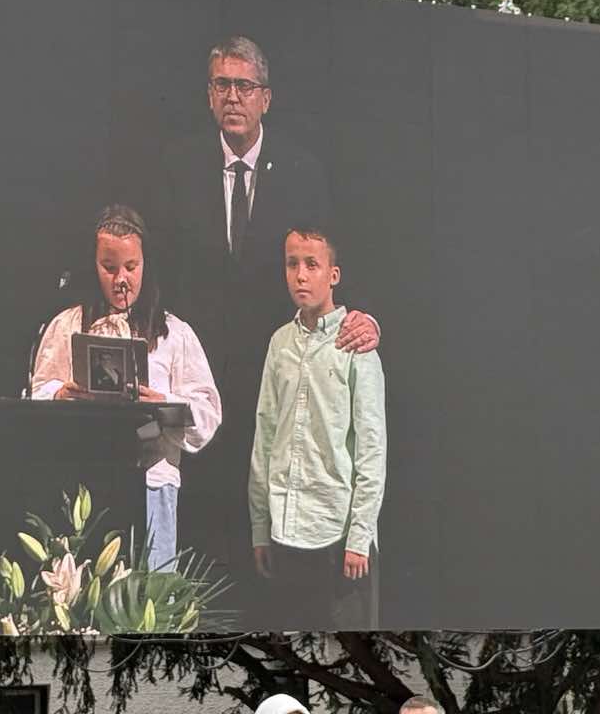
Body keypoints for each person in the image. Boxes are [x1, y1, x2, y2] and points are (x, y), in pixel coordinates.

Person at [151, 36, 381, 613]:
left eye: (244, 86)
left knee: (275, 562)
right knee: (206, 536)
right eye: (222, 85)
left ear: (266, 98)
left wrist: (364, 316)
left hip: (283, 368)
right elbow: (161, 271)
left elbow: (329, 258)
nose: (233, 97)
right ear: (209, 96)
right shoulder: (176, 166)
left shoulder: (303, 170)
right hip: (201, 379)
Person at [30, 205, 222, 570]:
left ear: (146, 265)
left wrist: (163, 402)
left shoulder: (173, 333)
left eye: (131, 267)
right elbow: (38, 391)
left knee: (147, 592)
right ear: (93, 266)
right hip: (84, 483)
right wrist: (60, 394)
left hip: (151, 481)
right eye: (109, 267)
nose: (121, 279)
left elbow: (208, 411)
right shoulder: (67, 325)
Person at [249, 226, 386, 629]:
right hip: (285, 528)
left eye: (312, 265)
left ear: (333, 274)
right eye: (292, 264)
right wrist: (260, 527)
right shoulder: (279, 343)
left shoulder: (356, 346)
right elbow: (265, 435)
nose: (301, 275)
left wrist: (359, 536)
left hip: (337, 536)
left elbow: (371, 448)